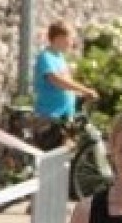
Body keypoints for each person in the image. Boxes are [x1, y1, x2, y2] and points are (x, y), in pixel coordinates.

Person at [34, 20, 99, 148]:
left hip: (65, 118)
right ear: (59, 38)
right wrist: (85, 90)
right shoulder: (45, 57)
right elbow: (57, 81)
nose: (71, 42)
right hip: (51, 118)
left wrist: (80, 94)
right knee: (52, 155)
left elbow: (66, 86)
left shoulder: (60, 58)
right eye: (70, 38)